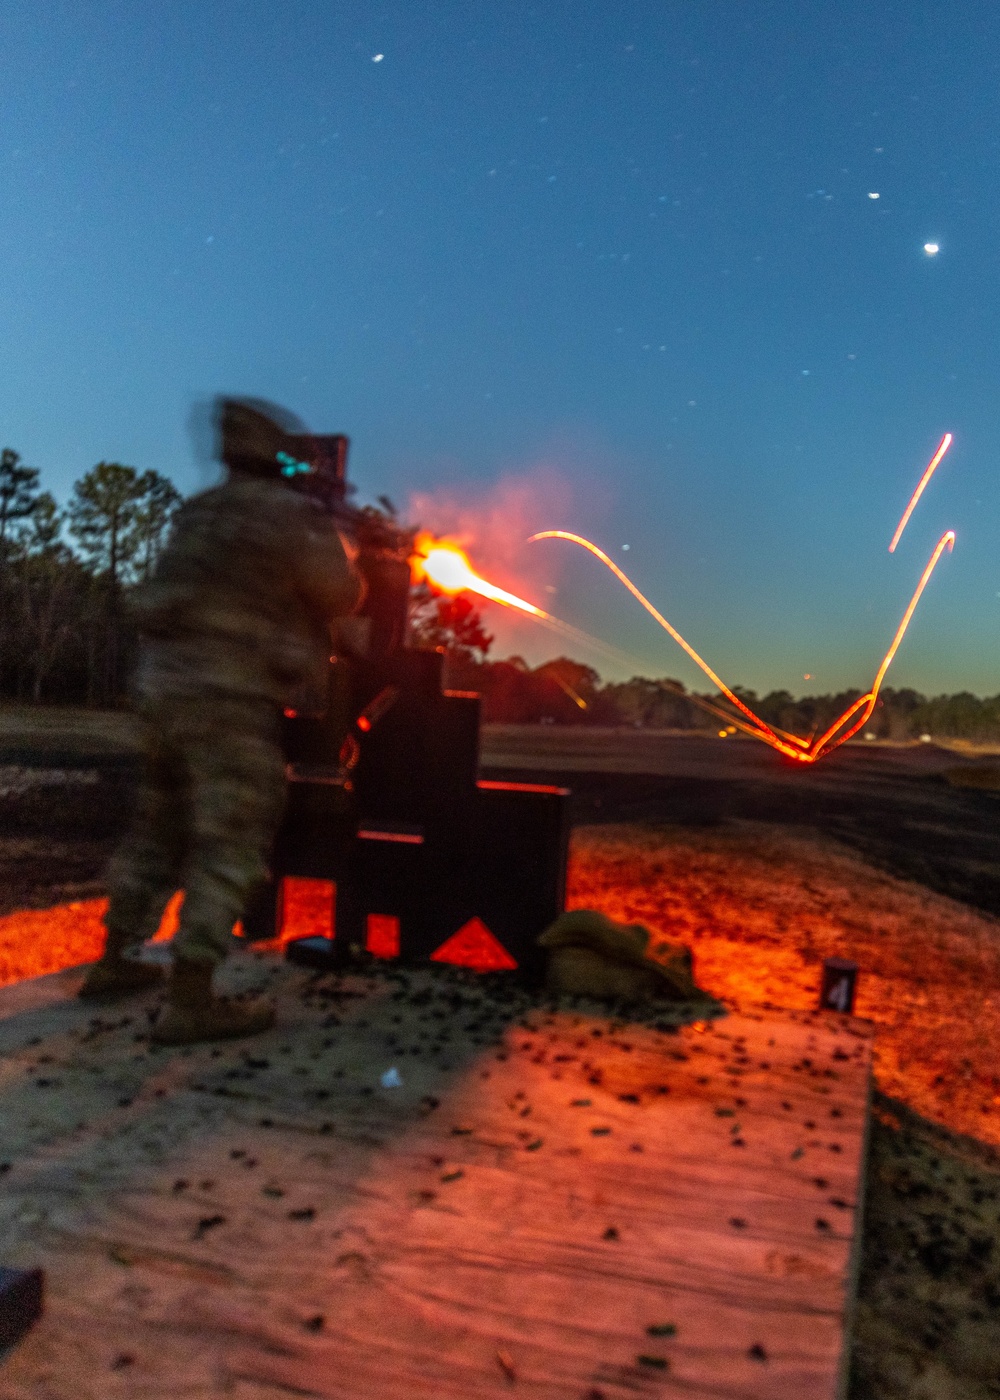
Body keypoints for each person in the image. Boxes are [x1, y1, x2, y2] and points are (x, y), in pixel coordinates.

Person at [79, 398, 364, 1044]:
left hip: (161, 696)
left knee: (158, 829)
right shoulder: (289, 515)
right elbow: (339, 594)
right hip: (231, 702)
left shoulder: (198, 512)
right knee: (230, 839)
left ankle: (114, 959)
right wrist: (344, 544)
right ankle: (192, 998)